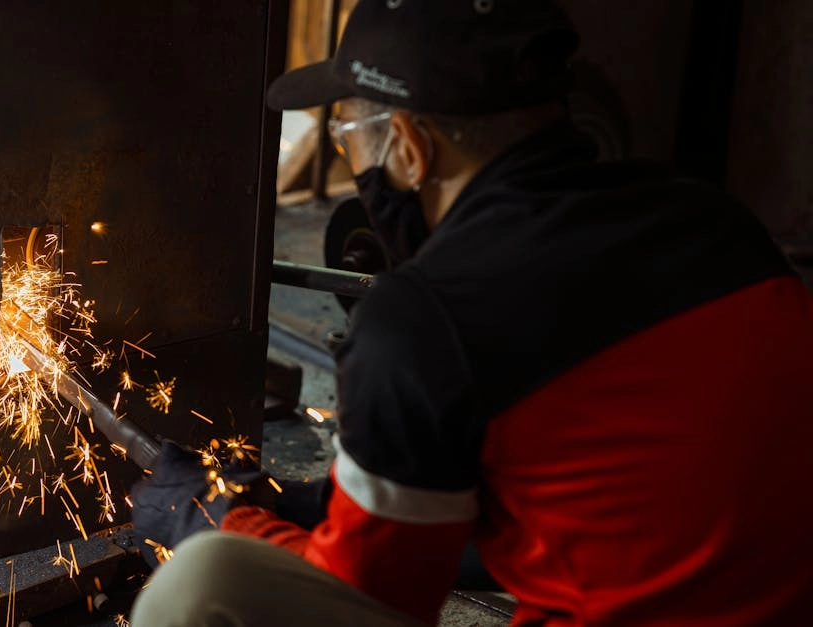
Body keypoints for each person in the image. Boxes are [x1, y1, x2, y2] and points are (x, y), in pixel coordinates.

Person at [130, 0, 813, 625]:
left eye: (347, 139)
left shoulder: (426, 318)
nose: (352, 160)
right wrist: (313, 504)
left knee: (203, 579)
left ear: (409, 146)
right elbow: (597, 493)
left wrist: (210, 516)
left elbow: (365, 596)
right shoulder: (716, 223)